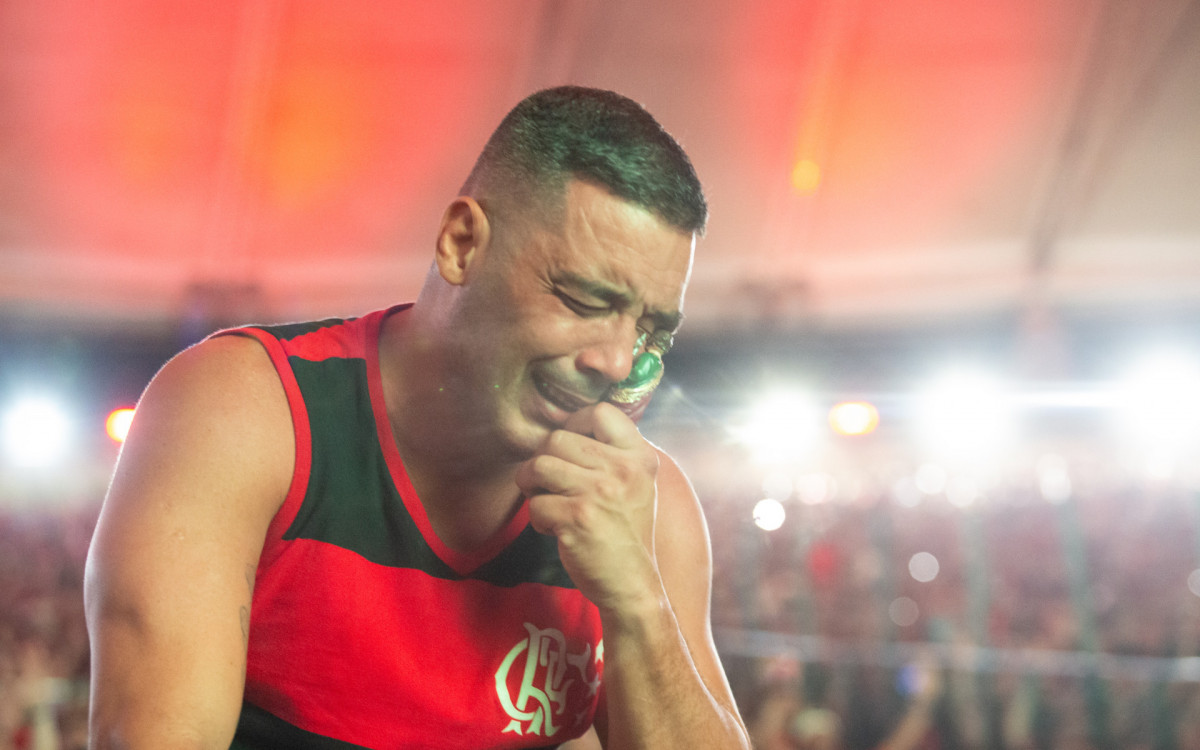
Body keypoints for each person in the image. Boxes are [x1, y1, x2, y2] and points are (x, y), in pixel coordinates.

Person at [84, 86, 750, 749]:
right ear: (462, 244)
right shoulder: (245, 413)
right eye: (582, 300)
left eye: (651, 331)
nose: (616, 360)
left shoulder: (647, 508)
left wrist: (638, 604)